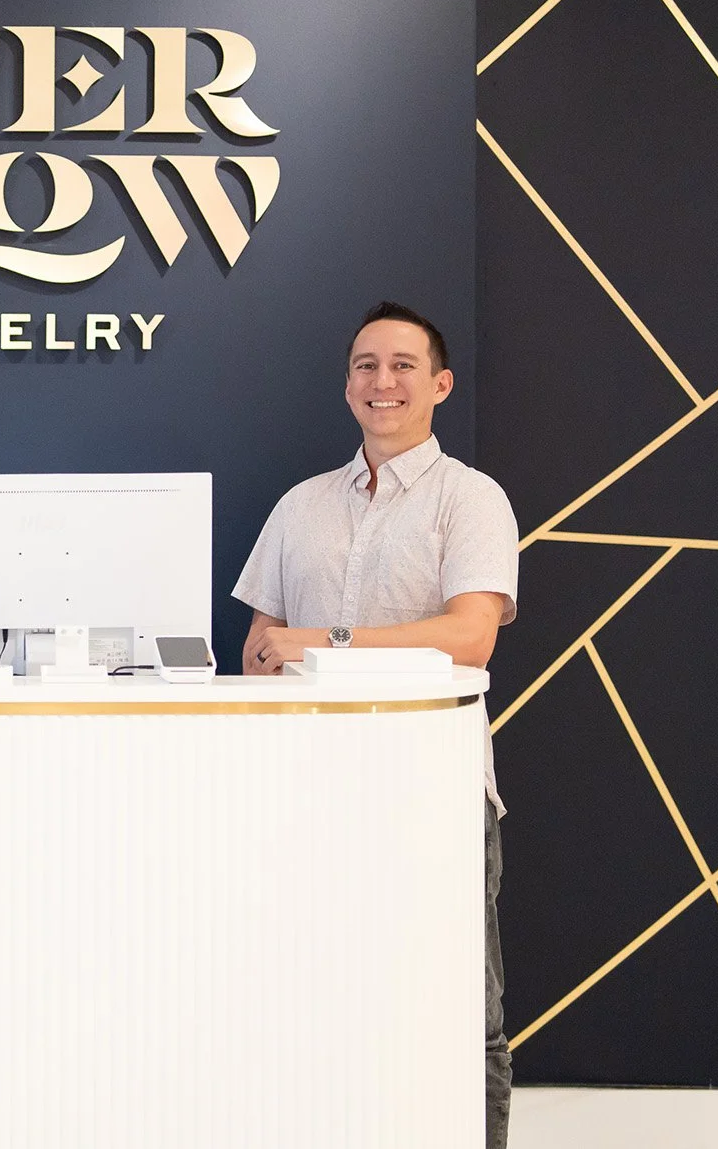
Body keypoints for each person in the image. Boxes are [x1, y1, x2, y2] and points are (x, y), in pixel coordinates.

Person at [232, 301, 517, 1149]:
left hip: (434, 793)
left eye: (400, 365)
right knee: (314, 1008)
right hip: (308, 793)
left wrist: (325, 641)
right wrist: (283, 648)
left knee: (467, 1016)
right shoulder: (300, 506)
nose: (381, 382)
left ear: (439, 384)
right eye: (365, 365)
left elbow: (471, 634)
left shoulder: (471, 499)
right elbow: (257, 647)